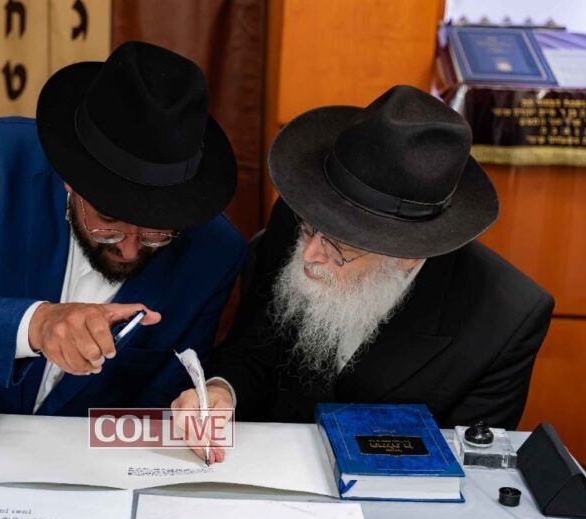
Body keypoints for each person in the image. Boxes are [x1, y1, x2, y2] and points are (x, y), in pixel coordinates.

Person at [0, 41, 246, 415]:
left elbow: (158, 403)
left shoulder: (214, 252)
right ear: (70, 182)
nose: (129, 250)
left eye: (156, 233)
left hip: (62, 459)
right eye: (108, 222)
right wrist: (38, 324)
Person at [174, 85, 554, 464]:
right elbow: (254, 345)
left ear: (407, 256)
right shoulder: (300, 216)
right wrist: (221, 390)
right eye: (309, 230)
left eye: (339, 248)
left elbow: (471, 464)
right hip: (266, 465)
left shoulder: (506, 320)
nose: (309, 253)